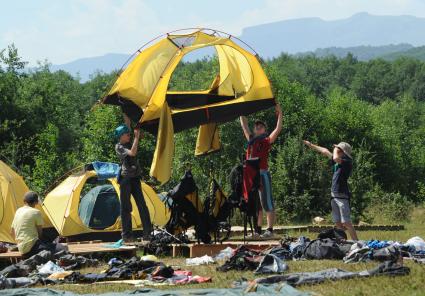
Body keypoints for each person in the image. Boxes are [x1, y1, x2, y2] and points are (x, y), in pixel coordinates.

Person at [240, 103, 283, 239]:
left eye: (260, 126)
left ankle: (269, 230)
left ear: (264, 130)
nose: (257, 128)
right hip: (251, 176)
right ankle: (257, 231)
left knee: (267, 202)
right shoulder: (251, 140)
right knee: (255, 204)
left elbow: (278, 128)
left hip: (263, 174)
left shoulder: (266, 140)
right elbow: (244, 125)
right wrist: (240, 107)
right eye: (256, 126)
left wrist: (279, 113)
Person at [303, 140, 358, 240]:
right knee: (337, 222)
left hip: (342, 195)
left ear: (343, 152)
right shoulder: (337, 161)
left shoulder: (347, 162)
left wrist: (336, 149)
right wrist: (311, 145)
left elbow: (335, 157)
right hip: (334, 194)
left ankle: (357, 243)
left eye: (338, 150)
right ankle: (343, 242)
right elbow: (325, 151)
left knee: (346, 222)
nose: (336, 151)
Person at [115, 115, 152, 243]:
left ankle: (147, 234)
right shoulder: (119, 147)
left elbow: (128, 121)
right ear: (121, 136)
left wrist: (125, 108)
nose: (129, 135)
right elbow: (133, 153)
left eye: (129, 134)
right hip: (125, 180)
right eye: (127, 134)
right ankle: (127, 236)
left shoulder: (129, 141)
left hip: (135, 178)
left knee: (142, 205)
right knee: (125, 207)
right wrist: (136, 137)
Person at [11, 191, 66, 258]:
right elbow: (40, 233)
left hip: (21, 248)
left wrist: (19, 243)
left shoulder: (18, 211)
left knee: (49, 246)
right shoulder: (36, 212)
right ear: (36, 202)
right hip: (32, 247)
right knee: (62, 248)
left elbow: (12, 231)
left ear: (24, 201)